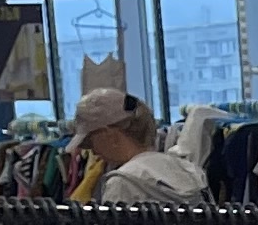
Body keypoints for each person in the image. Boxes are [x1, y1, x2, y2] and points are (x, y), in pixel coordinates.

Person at [67, 62, 208, 207]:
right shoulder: (189, 171)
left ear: (109, 135)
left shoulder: (122, 183)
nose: (94, 152)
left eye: (90, 142)